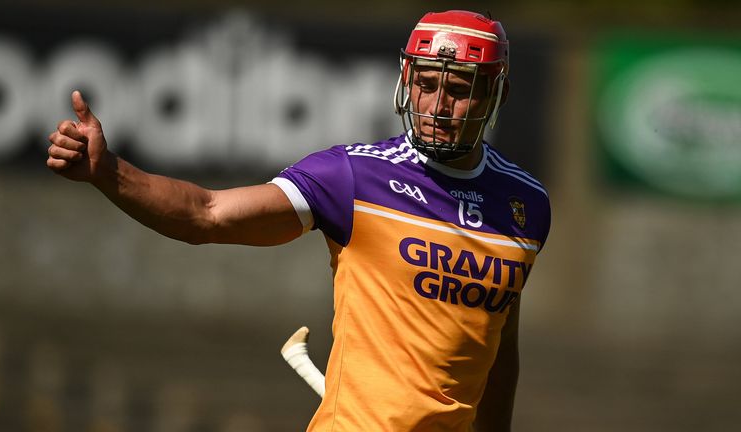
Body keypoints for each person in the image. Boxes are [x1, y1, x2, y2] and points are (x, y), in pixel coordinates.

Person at [47, 10, 550, 432]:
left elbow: (499, 344)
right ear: (406, 82)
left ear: (496, 96)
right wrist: (109, 173)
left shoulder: (524, 206)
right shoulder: (353, 176)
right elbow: (207, 214)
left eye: (459, 88)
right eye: (425, 84)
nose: (437, 106)